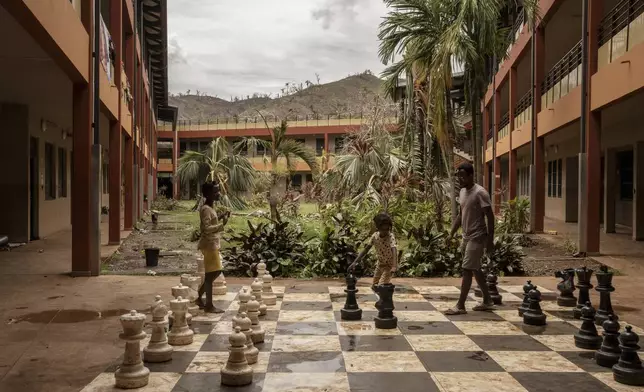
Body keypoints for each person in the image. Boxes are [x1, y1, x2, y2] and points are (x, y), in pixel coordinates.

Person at [445, 162, 495, 315]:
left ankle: (460, 306)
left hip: (478, 237)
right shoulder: (462, 192)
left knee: (467, 269)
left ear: (471, 175)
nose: (460, 179)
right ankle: (487, 300)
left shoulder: (480, 192)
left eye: (463, 176)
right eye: (458, 177)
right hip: (466, 237)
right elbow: (461, 214)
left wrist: (490, 241)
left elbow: (490, 217)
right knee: (475, 269)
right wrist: (451, 233)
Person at [195, 181, 229, 313]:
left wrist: (220, 217)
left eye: (218, 190)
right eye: (215, 191)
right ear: (208, 194)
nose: (218, 193)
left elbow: (210, 221)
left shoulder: (209, 207)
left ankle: (198, 297)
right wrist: (222, 225)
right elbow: (206, 228)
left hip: (212, 244)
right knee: (212, 273)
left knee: (214, 272)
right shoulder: (205, 209)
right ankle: (208, 305)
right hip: (209, 245)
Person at [349, 212, 398, 290]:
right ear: (378, 228)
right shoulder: (374, 236)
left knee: (382, 285)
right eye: (383, 229)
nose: (385, 231)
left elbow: (394, 250)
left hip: (389, 265)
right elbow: (365, 250)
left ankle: (385, 299)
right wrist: (355, 262)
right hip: (380, 264)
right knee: (374, 285)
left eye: (387, 229)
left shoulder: (390, 236)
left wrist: (394, 266)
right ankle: (382, 298)